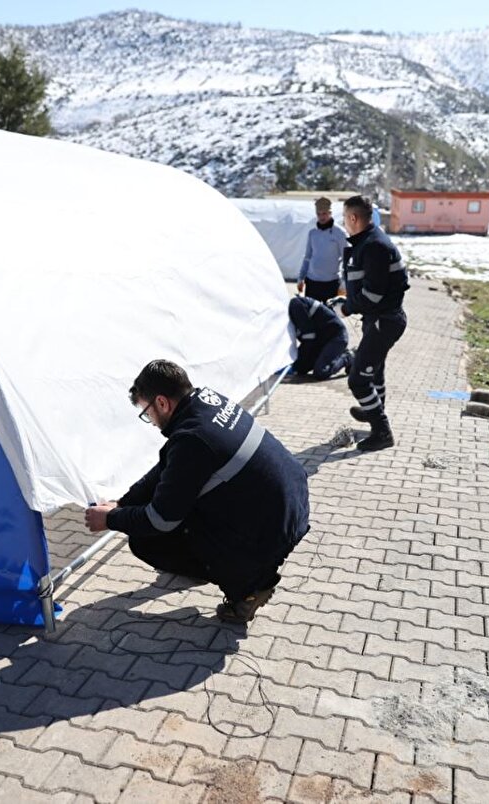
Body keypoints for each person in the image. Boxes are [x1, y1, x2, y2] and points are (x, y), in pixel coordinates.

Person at [84, 360, 310, 623]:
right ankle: (233, 565)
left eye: (147, 414)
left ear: (161, 403)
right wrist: (122, 503)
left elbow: (161, 519)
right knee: (181, 504)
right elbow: (167, 467)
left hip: (273, 530)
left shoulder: (192, 439)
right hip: (292, 506)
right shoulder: (205, 402)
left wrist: (111, 520)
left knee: (145, 539)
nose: (151, 422)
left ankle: (251, 588)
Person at [329, 195, 409, 452]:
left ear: (353, 218)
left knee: (358, 379)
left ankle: (381, 431)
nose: (344, 223)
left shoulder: (374, 246)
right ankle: (373, 409)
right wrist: (345, 300)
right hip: (378, 319)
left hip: (384, 321)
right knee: (374, 371)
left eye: (344, 218)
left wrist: (346, 307)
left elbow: (373, 295)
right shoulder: (367, 242)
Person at [287, 296, 353, 380]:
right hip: (321, 340)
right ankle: (334, 353)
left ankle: (348, 357)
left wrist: (297, 361)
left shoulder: (295, 306)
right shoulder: (288, 312)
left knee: (321, 372)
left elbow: (309, 338)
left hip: (336, 337)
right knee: (301, 369)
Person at [296, 197, 346, 302]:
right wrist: (301, 277)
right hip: (312, 283)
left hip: (331, 283)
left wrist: (344, 283)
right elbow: (307, 257)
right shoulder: (313, 233)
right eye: (319, 214)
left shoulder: (340, 233)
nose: (321, 217)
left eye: (324, 213)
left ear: (330, 213)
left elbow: (347, 258)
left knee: (329, 315)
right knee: (312, 315)